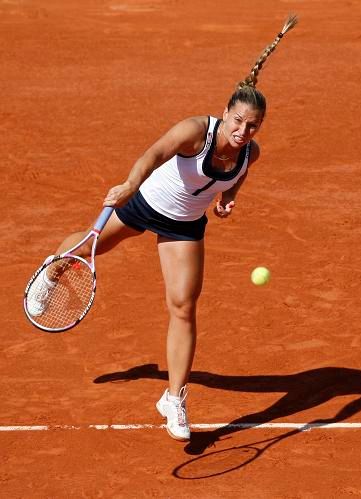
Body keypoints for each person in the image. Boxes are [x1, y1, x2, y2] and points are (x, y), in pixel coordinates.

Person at [26, 14, 298, 442]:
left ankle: (174, 398)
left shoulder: (250, 153)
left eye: (252, 127)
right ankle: (53, 270)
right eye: (238, 122)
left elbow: (237, 177)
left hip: (185, 226)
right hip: (145, 203)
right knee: (86, 251)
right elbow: (154, 153)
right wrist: (131, 184)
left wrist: (229, 198)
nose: (243, 132)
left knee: (183, 307)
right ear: (225, 113)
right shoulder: (196, 132)